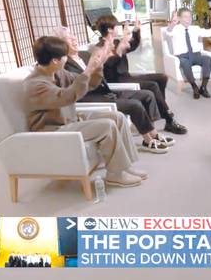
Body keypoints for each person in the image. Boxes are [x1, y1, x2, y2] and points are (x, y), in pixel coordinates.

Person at [24, 36, 147, 187]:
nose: (66, 59)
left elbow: (87, 84)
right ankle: (115, 174)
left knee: (118, 117)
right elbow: (66, 97)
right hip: (53, 128)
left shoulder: (58, 72)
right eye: (64, 56)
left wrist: (98, 65)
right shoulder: (34, 84)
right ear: (55, 60)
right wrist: (88, 69)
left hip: (70, 118)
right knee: (107, 125)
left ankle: (125, 166)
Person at [56, 26, 172, 153]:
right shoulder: (64, 64)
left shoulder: (84, 55)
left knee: (147, 94)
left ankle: (153, 134)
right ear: (60, 43)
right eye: (69, 37)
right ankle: (148, 140)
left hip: (105, 90)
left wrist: (106, 56)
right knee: (134, 105)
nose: (74, 39)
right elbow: (81, 84)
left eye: (73, 35)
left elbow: (101, 71)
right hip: (91, 97)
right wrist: (100, 61)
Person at [95, 15, 188, 135]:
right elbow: (107, 64)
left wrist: (136, 30)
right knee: (153, 85)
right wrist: (119, 49)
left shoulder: (116, 42)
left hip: (126, 76)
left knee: (161, 77)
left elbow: (132, 45)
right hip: (118, 81)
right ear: (109, 29)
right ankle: (169, 119)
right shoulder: (100, 46)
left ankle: (160, 109)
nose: (118, 28)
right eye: (116, 26)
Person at [165, 8, 211, 99]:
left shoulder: (195, 28)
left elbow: (209, 33)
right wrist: (173, 23)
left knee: (207, 59)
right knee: (185, 63)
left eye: (190, 17)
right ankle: (194, 87)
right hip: (183, 57)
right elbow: (168, 32)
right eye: (185, 17)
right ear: (179, 18)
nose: (188, 19)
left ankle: (203, 87)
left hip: (196, 55)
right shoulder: (175, 29)